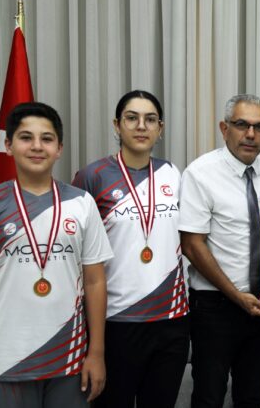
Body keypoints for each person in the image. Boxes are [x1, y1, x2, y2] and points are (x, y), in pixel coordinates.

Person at [0, 102, 113, 407]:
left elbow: (95, 281)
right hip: (5, 358)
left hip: (69, 357)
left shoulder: (82, 203)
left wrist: (96, 353)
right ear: (8, 145)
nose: (37, 146)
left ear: (59, 148)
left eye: (46, 139)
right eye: (25, 137)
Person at [72, 90, 189, 407]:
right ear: (117, 125)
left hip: (171, 320)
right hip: (115, 323)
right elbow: (78, 255)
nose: (141, 126)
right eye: (132, 118)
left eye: (150, 119)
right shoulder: (92, 176)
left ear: (160, 129)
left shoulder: (173, 174)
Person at [179, 94, 260, 408]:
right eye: (241, 125)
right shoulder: (200, 173)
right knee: (209, 395)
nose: (250, 134)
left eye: (259, 127)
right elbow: (192, 246)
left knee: (251, 395)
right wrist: (238, 297)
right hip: (215, 307)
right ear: (225, 129)